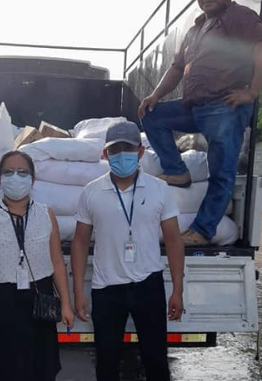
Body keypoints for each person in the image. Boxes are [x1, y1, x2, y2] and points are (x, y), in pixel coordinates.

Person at [138, 0, 262, 246]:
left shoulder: (237, 16)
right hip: (195, 107)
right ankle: (177, 171)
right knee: (152, 115)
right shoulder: (197, 28)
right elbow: (177, 68)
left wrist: (252, 92)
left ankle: (202, 230)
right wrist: (156, 96)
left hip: (224, 108)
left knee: (221, 174)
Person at [71, 121, 185, 381]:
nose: (121, 155)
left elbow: (173, 240)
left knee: (156, 361)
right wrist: (78, 292)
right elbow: (79, 242)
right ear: (105, 154)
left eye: (128, 149)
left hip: (148, 285)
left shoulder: (159, 189)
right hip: (106, 289)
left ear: (141, 152)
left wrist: (178, 290)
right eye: (115, 150)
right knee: (107, 362)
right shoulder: (91, 192)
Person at [0, 150, 74, 381]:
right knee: (1, 369)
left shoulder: (46, 214)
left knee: (40, 369)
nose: (15, 177)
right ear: (0, 179)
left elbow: (57, 262)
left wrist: (66, 304)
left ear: (33, 179)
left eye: (22, 172)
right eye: (8, 172)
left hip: (38, 299)